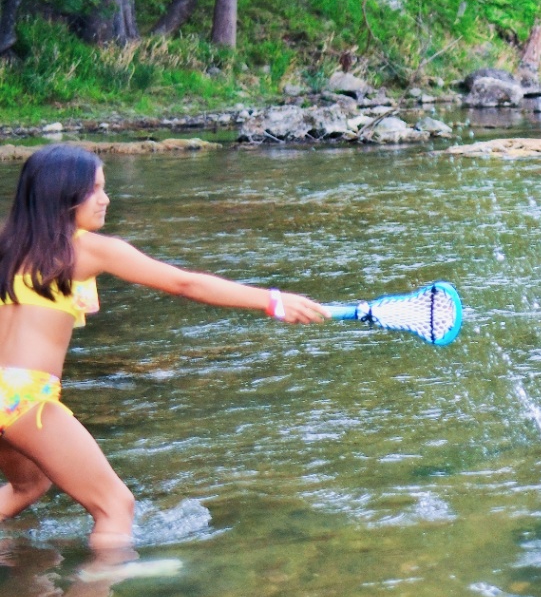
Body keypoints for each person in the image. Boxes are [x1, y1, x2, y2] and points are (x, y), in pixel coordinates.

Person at [0, 145, 324, 552]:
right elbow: (184, 283)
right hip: (26, 398)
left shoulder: (8, 244)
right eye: (95, 190)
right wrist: (271, 300)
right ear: (63, 194)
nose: (106, 199)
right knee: (115, 505)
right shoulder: (89, 249)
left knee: (27, 486)